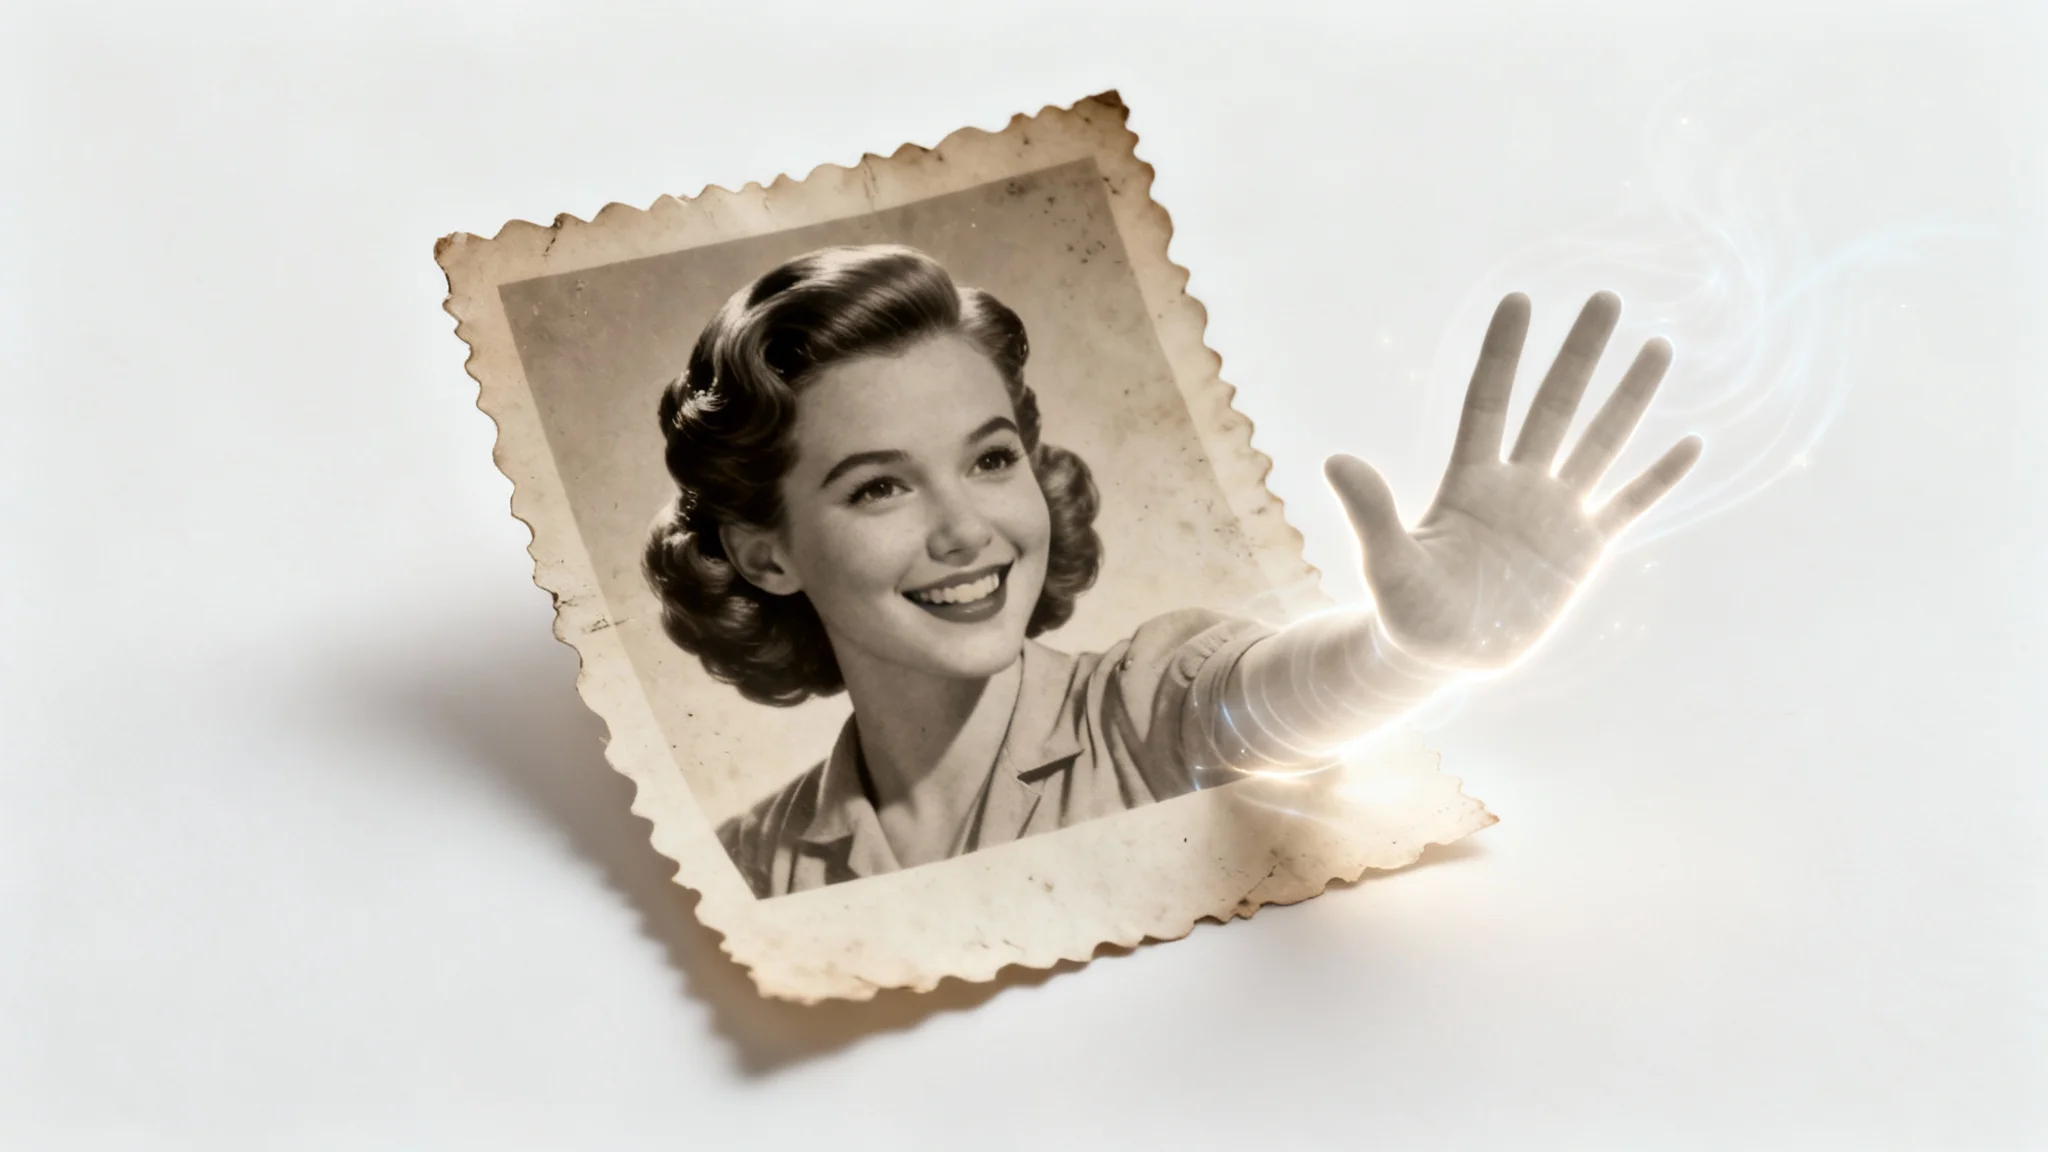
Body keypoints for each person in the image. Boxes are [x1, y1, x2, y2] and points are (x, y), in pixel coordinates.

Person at [644, 245, 1700, 898]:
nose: (966, 529)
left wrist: (1403, 656)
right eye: (880, 486)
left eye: (990, 458)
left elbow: (1262, 702)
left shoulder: (1144, 707)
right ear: (762, 551)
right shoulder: (746, 869)